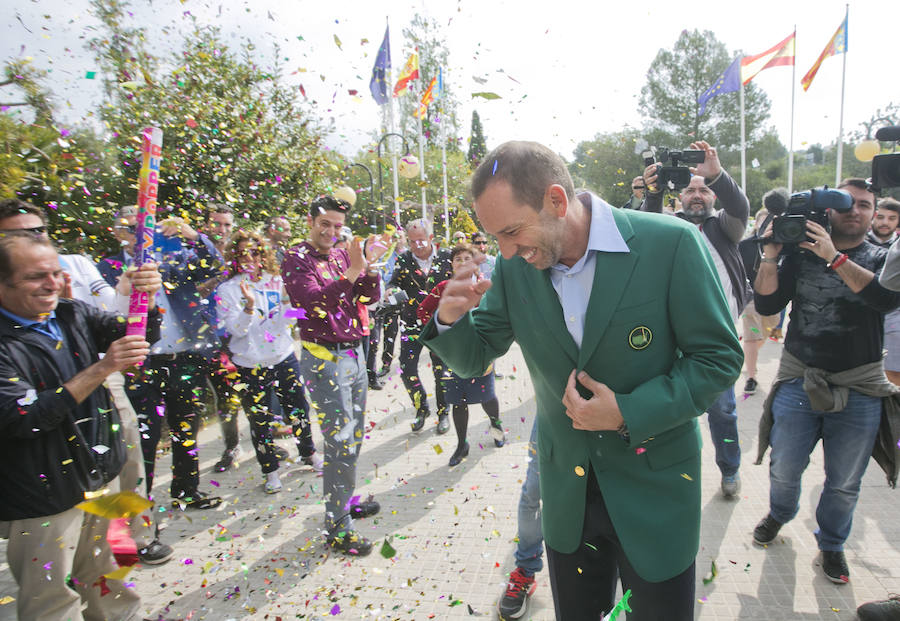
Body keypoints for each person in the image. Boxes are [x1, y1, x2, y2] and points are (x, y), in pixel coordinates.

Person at [421, 141, 742, 620]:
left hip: (654, 488)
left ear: (556, 200)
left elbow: (717, 358)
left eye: (512, 232)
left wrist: (628, 412)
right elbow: (474, 357)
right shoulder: (515, 266)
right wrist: (449, 318)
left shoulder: (670, 243)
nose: (505, 252)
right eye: (496, 238)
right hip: (568, 494)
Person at [0, 199, 172, 564]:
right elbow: (22, 418)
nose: (51, 282)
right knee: (55, 589)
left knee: (121, 468)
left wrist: (146, 296)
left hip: (99, 400)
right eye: (17, 236)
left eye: (38, 232)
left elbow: (130, 330)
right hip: (45, 491)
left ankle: (135, 540)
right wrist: (100, 368)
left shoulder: (70, 308)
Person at [752, 178, 900, 585]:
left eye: (866, 205)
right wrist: (770, 255)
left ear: (874, 214)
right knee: (783, 468)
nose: (856, 210)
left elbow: (883, 300)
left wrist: (833, 257)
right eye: (846, 202)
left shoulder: (884, 256)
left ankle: (832, 545)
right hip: (800, 378)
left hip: (860, 388)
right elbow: (766, 304)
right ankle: (780, 513)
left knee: (844, 481)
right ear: (828, 209)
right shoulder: (802, 253)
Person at [641, 140, 751, 498]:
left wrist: (715, 174)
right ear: (681, 197)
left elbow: (740, 205)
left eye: (704, 189)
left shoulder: (726, 228)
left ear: (713, 197)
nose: (697, 195)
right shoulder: (670, 229)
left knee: (723, 414)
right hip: (673, 341)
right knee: (673, 413)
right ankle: (672, 477)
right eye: (690, 190)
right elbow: (649, 222)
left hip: (717, 342)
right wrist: (653, 191)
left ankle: (730, 469)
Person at [99, 208, 223, 510]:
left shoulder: (172, 256)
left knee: (187, 427)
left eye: (145, 228)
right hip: (140, 363)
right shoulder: (108, 267)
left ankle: (186, 490)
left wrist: (192, 235)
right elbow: (102, 311)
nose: (138, 234)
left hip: (184, 356)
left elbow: (212, 266)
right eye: (130, 228)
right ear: (117, 232)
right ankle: (143, 501)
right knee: (146, 434)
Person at [282, 196, 385, 556]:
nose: (331, 231)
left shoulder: (344, 254)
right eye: (325, 223)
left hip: (355, 354)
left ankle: (344, 502)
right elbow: (314, 303)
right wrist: (353, 271)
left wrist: (369, 270)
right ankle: (338, 527)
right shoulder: (296, 258)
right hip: (325, 360)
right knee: (339, 441)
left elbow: (366, 297)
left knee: (352, 437)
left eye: (338, 226)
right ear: (311, 220)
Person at [217, 229, 321, 493]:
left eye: (254, 252)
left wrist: (289, 303)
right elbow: (236, 330)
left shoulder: (277, 281)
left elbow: (294, 318)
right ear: (235, 257)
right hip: (249, 364)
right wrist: (249, 307)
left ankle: (308, 452)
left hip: (283, 357)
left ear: (263, 254)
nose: (249, 258)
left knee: (298, 408)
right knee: (259, 419)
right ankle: (270, 470)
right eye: (242, 253)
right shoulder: (227, 290)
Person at [416, 243, 505, 467]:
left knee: (487, 397)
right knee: (458, 401)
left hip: (480, 355)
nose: (463, 262)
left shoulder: (486, 287)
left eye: (468, 258)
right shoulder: (444, 287)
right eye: (458, 259)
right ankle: (462, 443)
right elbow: (422, 311)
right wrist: (443, 325)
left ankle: (496, 424)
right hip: (452, 358)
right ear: (452, 265)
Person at [390, 218, 454, 433]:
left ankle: (444, 413)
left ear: (430, 238)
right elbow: (394, 282)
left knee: (441, 372)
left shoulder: (447, 257)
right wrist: (391, 290)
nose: (417, 245)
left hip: (439, 324)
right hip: (411, 322)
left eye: (421, 240)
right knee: (407, 369)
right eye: (412, 241)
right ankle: (421, 408)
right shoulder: (403, 259)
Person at [737, 189, 790, 395]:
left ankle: (750, 357)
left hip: (774, 301)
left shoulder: (786, 245)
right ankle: (751, 376)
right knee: (752, 337)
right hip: (750, 301)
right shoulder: (745, 246)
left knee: (764, 333)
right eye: (765, 221)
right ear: (757, 223)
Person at [868, 198, 900, 385]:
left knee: (893, 376)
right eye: (880, 217)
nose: (885, 222)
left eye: (891, 218)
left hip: (894, 323)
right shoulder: (858, 243)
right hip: (865, 320)